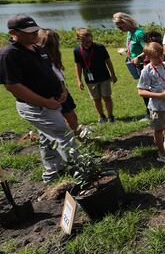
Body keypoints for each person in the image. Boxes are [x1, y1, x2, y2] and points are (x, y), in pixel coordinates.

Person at [0, 15, 80, 182]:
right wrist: (45, 102)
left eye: (36, 30)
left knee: (46, 138)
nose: (35, 34)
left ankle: (52, 172)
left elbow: (50, 72)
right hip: (36, 107)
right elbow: (13, 86)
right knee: (64, 135)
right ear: (13, 32)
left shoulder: (37, 48)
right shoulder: (9, 55)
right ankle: (82, 172)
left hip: (52, 102)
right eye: (29, 32)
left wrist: (62, 89)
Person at [38, 29, 82, 134]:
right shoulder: (41, 59)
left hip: (62, 90)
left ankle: (77, 135)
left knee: (71, 116)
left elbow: (58, 75)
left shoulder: (54, 57)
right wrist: (62, 90)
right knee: (68, 117)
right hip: (55, 92)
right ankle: (76, 137)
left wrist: (64, 89)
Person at [74, 28, 117, 124]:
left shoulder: (100, 47)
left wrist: (113, 74)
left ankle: (111, 116)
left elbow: (108, 61)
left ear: (92, 37)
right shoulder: (77, 51)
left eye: (89, 39)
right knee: (96, 99)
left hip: (104, 77)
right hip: (90, 80)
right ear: (78, 39)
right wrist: (79, 80)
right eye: (84, 41)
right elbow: (78, 66)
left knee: (107, 97)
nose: (87, 42)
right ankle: (102, 116)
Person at [113, 12, 149, 120]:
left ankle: (151, 113)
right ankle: (150, 112)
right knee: (143, 88)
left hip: (145, 65)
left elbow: (149, 49)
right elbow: (133, 49)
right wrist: (126, 51)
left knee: (146, 89)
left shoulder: (139, 33)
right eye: (117, 26)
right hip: (137, 65)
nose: (119, 28)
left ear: (127, 21)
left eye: (120, 25)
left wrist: (139, 57)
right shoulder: (129, 33)